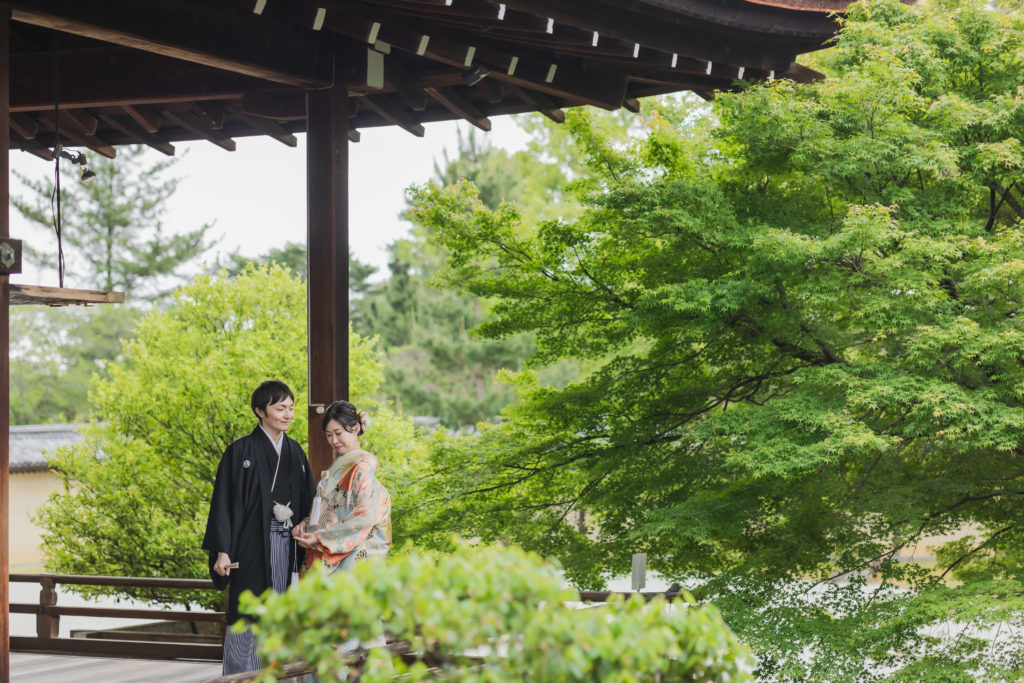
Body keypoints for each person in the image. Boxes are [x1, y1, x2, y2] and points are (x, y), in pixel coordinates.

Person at [202, 380, 316, 675]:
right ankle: (243, 675)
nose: (288, 414)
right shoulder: (240, 451)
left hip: (288, 546)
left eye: (291, 408)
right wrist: (223, 551)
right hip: (251, 548)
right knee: (249, 610)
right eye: (280, 408)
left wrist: (304, 526)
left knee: (285, 610)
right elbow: (224, 502)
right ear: (260, 411)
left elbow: (310, 500)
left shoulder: (295, 451)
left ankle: (282, 674)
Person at [292, 400, 392, 575]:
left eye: (338, 433)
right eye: (329, 435)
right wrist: (306, 524)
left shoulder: (362, 468)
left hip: (350, 560)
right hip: (323, 552)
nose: (334, 440)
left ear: (356, 428)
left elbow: (363, 519)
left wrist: (319, 537)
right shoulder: (340, 467)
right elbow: (329, 510)